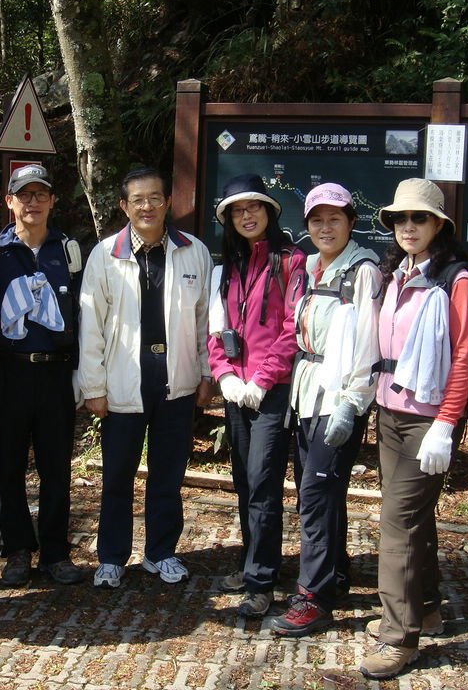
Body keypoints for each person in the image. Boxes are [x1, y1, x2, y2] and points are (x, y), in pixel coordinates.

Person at [359, 178, 468, 679]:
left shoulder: (457, 281)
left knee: (396, 524)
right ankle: (424, 608)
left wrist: (446, 424)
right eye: (401, 219)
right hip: (390, 414)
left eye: (420, 218)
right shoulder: (399, 273)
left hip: (428, 419)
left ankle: (398, 637)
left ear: (439, 226)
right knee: (413, 519)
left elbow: (466, 358)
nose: (409, 226)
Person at [78, 167, 213, 589]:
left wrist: (207, 373)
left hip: (177, 381)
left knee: (168, 474)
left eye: (155, 197)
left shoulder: (193, 251)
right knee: (117, 474)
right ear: (124, 206)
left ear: (167, 202)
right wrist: (93, 386)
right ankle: (112, 557)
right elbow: (91, 325)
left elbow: (207, 318)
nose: (147, 206)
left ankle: (162, 552)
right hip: (123, 382)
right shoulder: (105, 254)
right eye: (138, 199)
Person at [270, 182, 382, 637]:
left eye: (335, 218)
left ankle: (312, 597)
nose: (325, 227)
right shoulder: (312, 267)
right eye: (317, 219)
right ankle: (334, 574)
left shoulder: (363, 271)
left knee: (315, 498)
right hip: (307, 395)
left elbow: (368, 342)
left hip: (338, 399)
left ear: (351, 222)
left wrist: (352, 403)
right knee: (319, 492)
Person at [206, 173, 306, 617]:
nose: (247, 216)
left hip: (273, 391)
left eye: (255, 208)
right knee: (245, 480)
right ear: (228, 219)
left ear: (269, 212)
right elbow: (215, 330)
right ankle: (255, 564)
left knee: (264, 482)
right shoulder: (226, 266)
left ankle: (260, 581)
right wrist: (224, 375)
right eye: (238, 211)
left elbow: (292, 328)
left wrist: (262, 379)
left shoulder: (291, 261)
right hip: (236, 391)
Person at [0, 164, 85, 586]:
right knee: (9, 470)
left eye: (41, 194)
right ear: (9, 202)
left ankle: (56, 552)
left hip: (56, 375)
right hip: (8, 375)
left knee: (56, 469)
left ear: (53, 201)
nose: (33, 202)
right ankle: (18, 550)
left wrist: (82, 371)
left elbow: (85, 315)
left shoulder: (70, 250)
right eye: (24, 195)